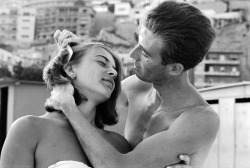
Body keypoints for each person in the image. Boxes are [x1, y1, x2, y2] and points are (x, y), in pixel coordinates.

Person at [48, 1, 220, 168]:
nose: (132, 54)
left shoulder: (199, 120)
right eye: (138, 42)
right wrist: (80, 57)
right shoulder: (135, 87)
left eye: (145, 54)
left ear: (174, 68)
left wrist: (68, 106)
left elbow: (118, 166)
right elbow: (83, 102)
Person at [0, 42, 131, 168]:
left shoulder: (120, 145)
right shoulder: (29, 129)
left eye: (115, 71)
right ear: (70, 69)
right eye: (102, 62)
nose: (114, 73)